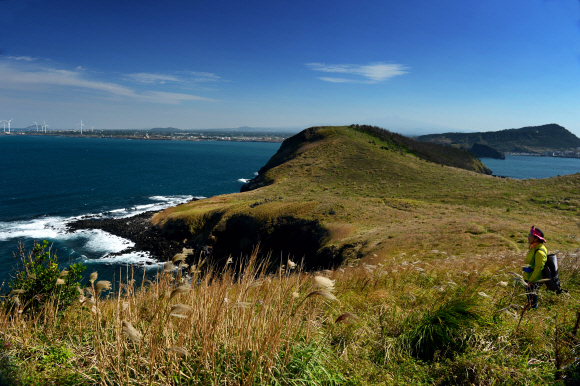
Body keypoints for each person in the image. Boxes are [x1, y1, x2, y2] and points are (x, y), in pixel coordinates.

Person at [522, 226, 547, 309]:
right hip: (529, 277)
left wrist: (531, 280)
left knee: (532, 299)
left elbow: (538, 268)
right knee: (529, 297)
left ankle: (532, 312)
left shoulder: (539, 251)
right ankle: (529, 310)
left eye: (530, 235)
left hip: (533, 279)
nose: (528, 237)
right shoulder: (534, 247)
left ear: (536, 238)